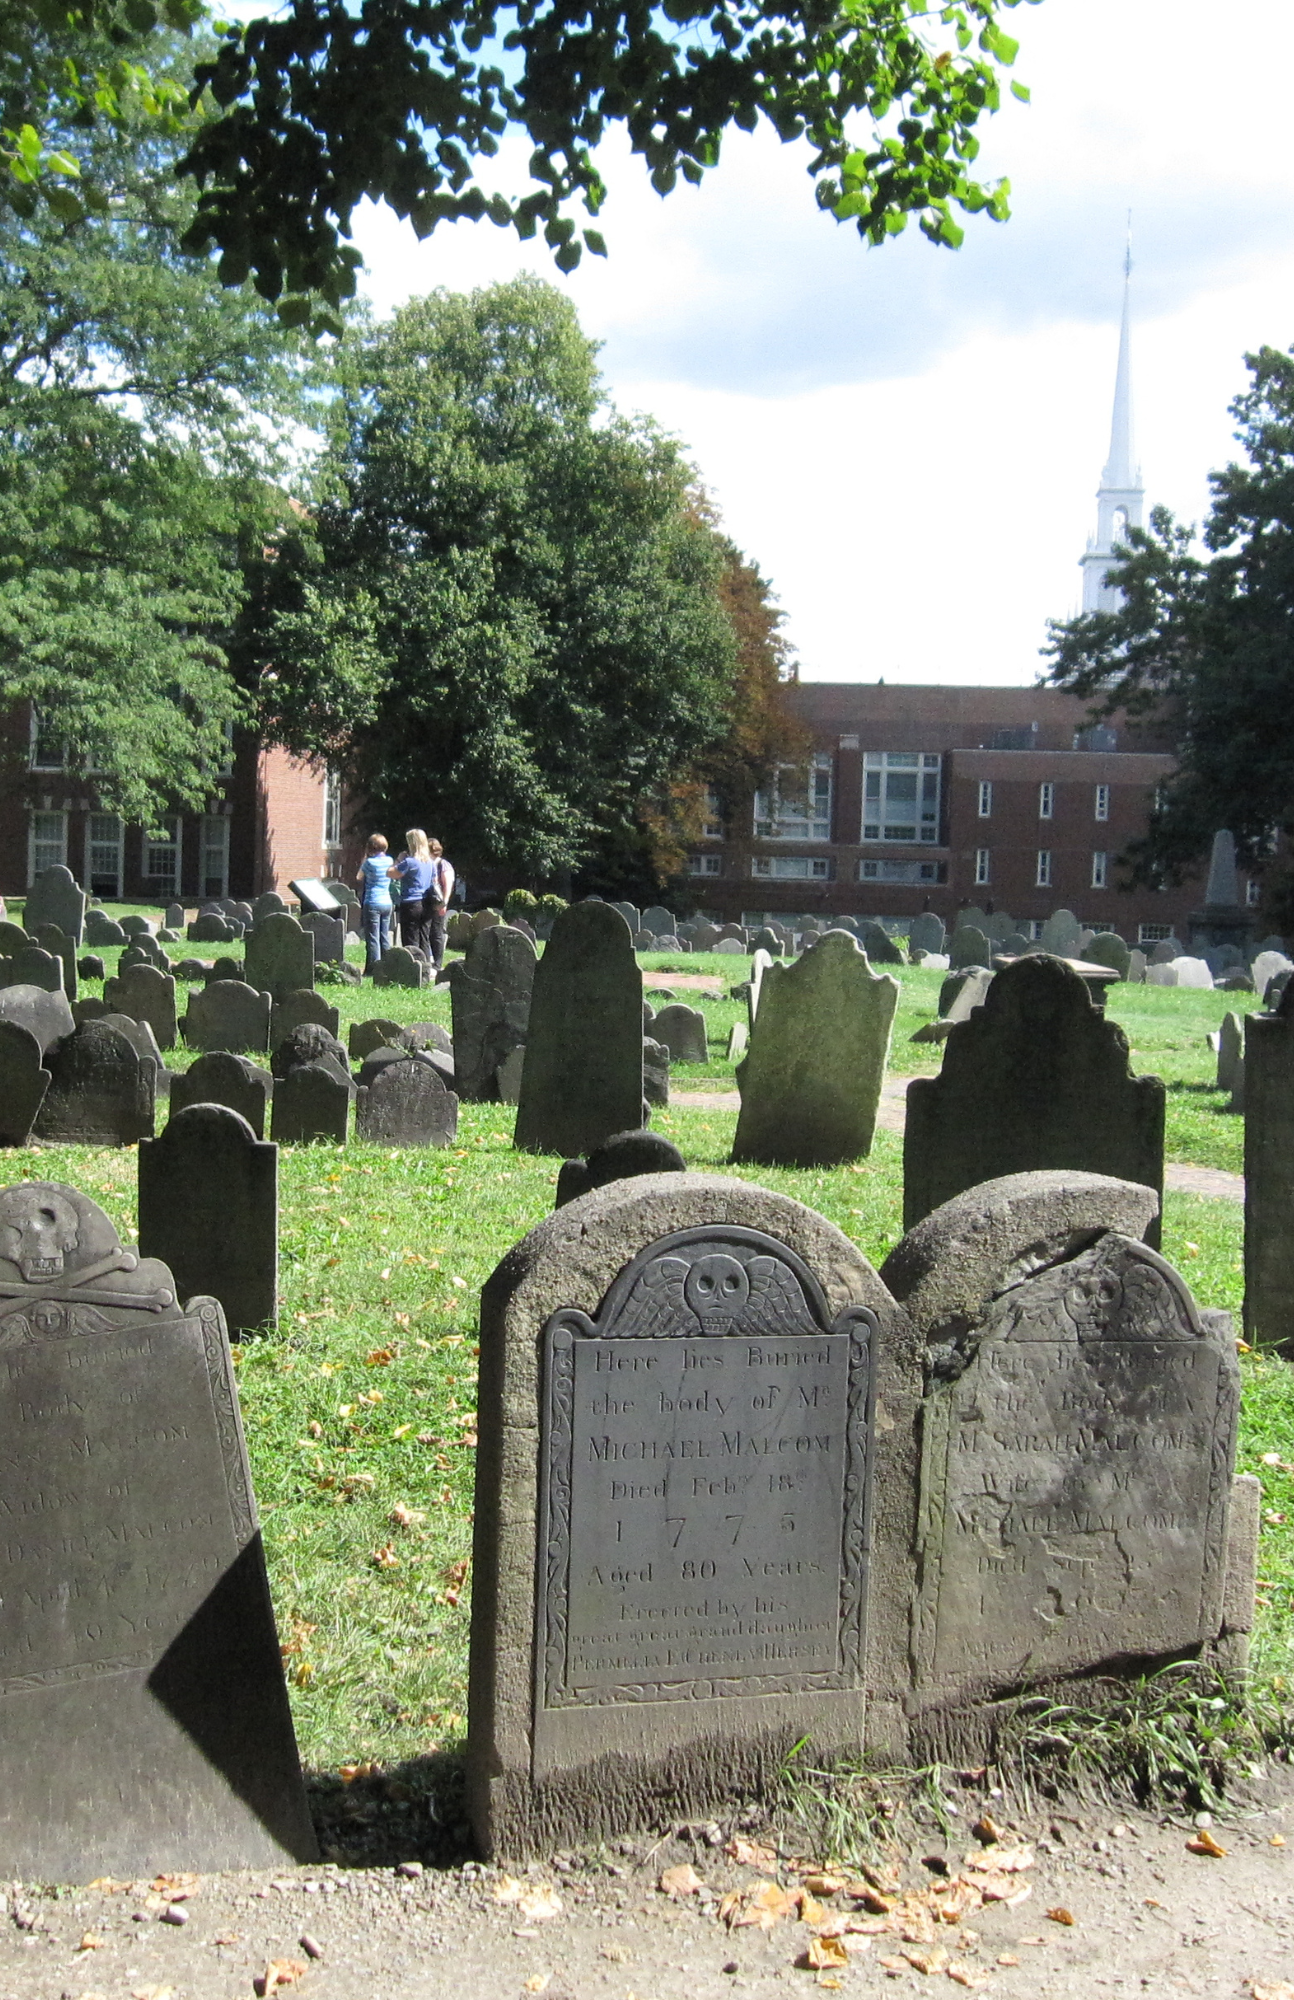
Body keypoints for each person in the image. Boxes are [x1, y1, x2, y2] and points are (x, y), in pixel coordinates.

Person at [392, 828, 435, 958]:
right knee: (424, 938)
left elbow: (391, 874)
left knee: (411, 938)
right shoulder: (430, 862)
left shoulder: (409, 862)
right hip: (427, 902)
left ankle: (415, 968)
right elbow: (434, 881)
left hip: (411, 903)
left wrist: (398, 860)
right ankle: (426, 969)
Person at [357, 832, 395, 970]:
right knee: (384, 936)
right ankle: (387, 965)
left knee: (373, 937)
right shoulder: (390, 861)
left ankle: (374, 968)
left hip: (372, 902)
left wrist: (364, 859)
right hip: (387, 902)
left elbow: (359, 877)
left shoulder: (369, 862)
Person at [426, 838, 455, 971]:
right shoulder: (426, 864)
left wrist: (444, 902)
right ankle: (428, 959)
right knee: (427, 932)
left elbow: (447, 885)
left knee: (436, 932)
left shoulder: (443, 865)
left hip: (438, 902)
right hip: (426, 901)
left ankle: (437, 963)